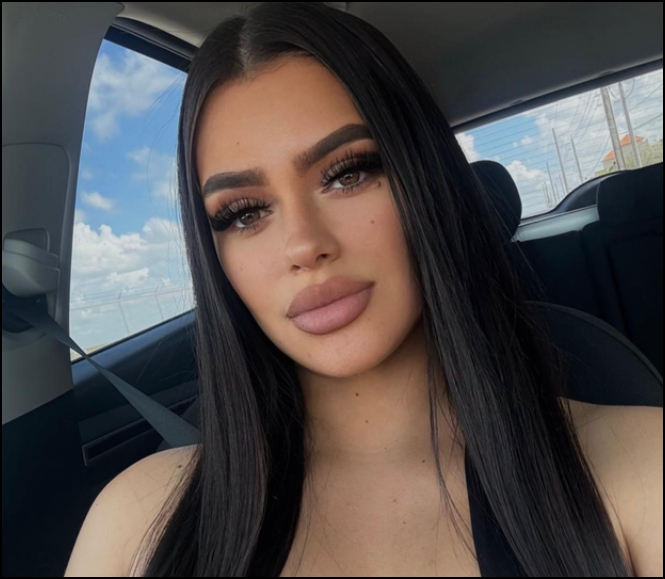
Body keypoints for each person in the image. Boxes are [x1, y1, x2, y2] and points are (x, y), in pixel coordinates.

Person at [65, 2, 662, 576]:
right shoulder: (136, 522)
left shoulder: (639, 470)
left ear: (426, 181)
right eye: (244, 213)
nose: (304, 245)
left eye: (347, 174)